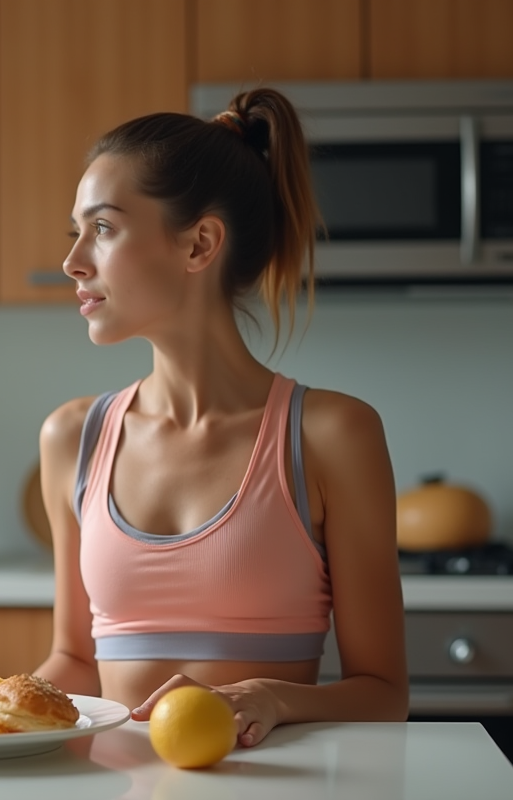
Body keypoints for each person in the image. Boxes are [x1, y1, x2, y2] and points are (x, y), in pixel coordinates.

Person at [33, 88, 409, 749]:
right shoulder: (73, 437)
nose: (73, 262)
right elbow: (74, 660)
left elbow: (384, 693)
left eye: (103, 228)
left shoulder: (331, 435)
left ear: (200, 244)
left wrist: (272, 697)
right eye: (77, 232)